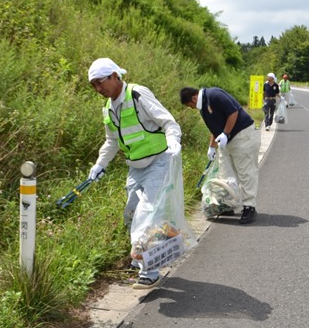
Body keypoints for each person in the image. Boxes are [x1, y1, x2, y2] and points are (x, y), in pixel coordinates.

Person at [87, 57, 182, 289]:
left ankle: (149, 271)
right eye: (94, 86)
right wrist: (100, 164)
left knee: (147, 215)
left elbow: (168, 122)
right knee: (131, 213)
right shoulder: (108, 109)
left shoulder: (137, 94)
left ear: (115, 76)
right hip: (135, 167)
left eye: (101, 82)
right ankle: (143, 252)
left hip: (159, 162)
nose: (99, 89)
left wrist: (174, 141)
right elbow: (112, 141)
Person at [180, 87, 260, 224]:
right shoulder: (203, 107)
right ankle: (227, 204)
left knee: (245, 172)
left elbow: (233, 113)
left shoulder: (214, 95)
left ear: (193, 98)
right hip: (226, 141)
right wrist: (212, 147)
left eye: (190, 105)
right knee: (226, 174)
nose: (191, 108)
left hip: (242, 135)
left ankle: (249, 206)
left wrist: (226, 133)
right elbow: (214, 127)